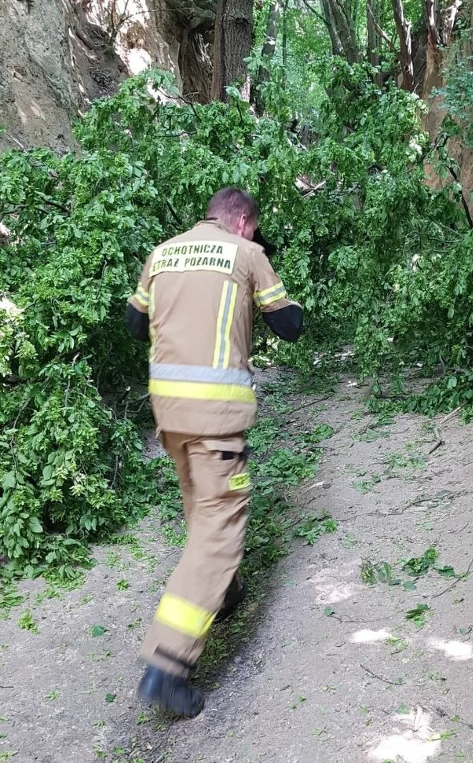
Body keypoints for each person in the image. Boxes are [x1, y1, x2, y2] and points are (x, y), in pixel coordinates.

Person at [124, 187, 304, 717]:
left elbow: (134, 325)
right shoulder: (246, 253)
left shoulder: (162, 253)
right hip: (216, 422)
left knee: (202, 514)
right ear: (243, 221)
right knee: (219, 535)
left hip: (170, 414)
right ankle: (167, 663)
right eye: (255, 226)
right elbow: (290, 326)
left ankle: (223, 593)